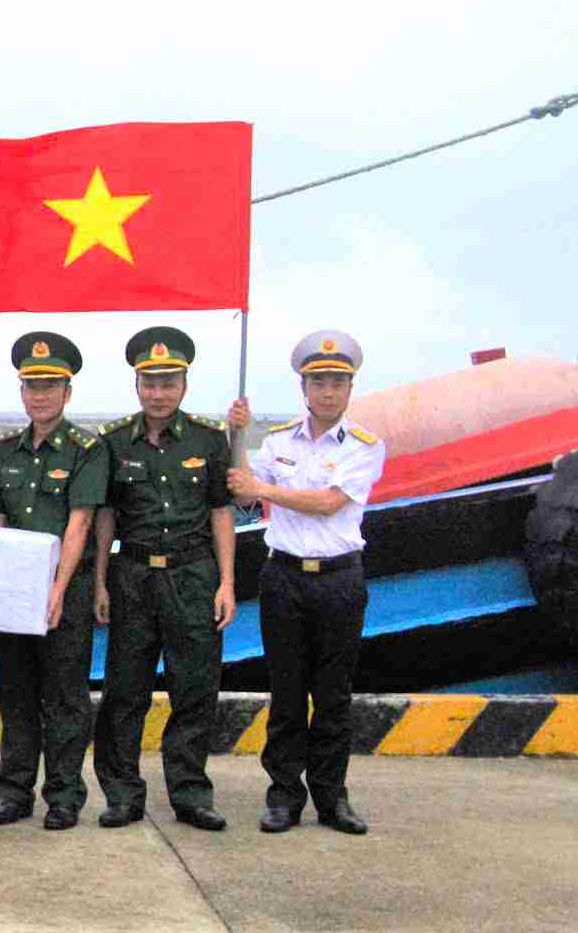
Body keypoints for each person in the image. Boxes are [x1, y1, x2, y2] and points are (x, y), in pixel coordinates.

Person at [225, 330, 385, 836]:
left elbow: (329, 503)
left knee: (334, 696)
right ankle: (283, 796)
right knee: (287, 694)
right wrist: (236, 436)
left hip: (339, 581)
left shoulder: (365, 446)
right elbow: (243, 493)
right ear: (304, 388)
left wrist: (263, 489)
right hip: (284, 578)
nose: (328, 392)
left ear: (350, 388)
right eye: (319, 382)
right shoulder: (278, 442)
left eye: (337, 382)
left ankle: (332, 799)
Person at [91, 325, 237, 832]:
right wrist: (100, 581)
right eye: (150, 383)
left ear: (184, 385)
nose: (159, 393)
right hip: (133, 575)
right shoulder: (113, 441)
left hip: (193, 575)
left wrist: (227, 583)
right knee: (124, 690)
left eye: (168, 383)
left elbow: (221, 511)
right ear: (137, 385)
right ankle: (122, 794)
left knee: (194, 689)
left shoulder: (208, 439)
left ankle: (190, 794)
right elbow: (106, 515)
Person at [0, 332, 108, 831]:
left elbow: (80, 523)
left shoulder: (86, 449)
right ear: (21, 392)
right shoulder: (5, 450)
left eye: (50, 386)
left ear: (67, 393)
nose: (40, 396)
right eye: (32, 387)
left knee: (65, 698)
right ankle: (13, 794)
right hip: (15, 592)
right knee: (17, 695)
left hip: (65, 592)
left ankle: (64, 796)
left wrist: (56, 591)